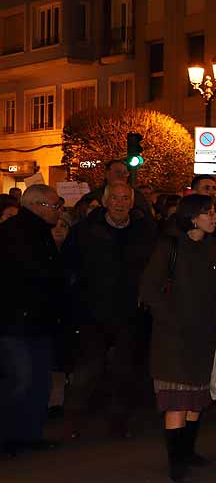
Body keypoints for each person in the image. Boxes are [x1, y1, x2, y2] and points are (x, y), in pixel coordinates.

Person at [139, 195, 216, 483]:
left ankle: (188, 452)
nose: (214, 217)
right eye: (208, 213)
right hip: (174, 338)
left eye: (214, 212)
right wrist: (171, 320)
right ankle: (176, 462)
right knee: (176, 400)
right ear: (192, 217)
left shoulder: (214, 247)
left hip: (203, 335)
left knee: (195, 399)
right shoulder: (170, 245)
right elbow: (150, 288)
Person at [62, 182, 158, 440]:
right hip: (92, 312)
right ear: (105, 201)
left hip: (129, 313)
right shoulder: (84, 231)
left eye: (125, 198)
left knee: (124, 370)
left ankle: (118, 421)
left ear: (132, 201)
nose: (120, 202)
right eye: (114, 198)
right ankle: (73, 419)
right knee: (87, 369)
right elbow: (69, 268)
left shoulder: (145, 231)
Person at [0, 185, 66, 457]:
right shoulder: (15, 234)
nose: (58, 212)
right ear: (37, 205)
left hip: (38, 320)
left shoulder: (40, 233)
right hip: (16, 321)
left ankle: (29, 435)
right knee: (20, 380)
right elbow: (31, 275)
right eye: (54, 206)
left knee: (38, 380)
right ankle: (9, 437)